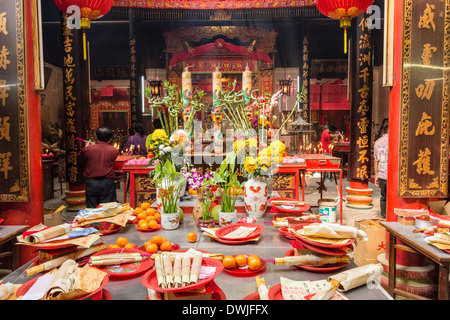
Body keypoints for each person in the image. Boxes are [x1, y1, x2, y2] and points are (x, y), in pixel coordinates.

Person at [79, 126, 119, 208]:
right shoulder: (114, 150)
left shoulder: (88, 149)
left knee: (92, 208)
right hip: (107, 182)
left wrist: (86, 147)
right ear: (110, 139)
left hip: (92, 182)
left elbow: (80, 160)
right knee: (108, 209)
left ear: (97, 136)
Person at [374, 123, 389, 218]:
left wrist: (376, 175)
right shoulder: (396, 140)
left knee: (383, 197)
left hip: (382, 174)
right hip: (393, 175)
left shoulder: (377, 142)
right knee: (392, 197)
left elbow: (376, 160)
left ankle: (384, 216)